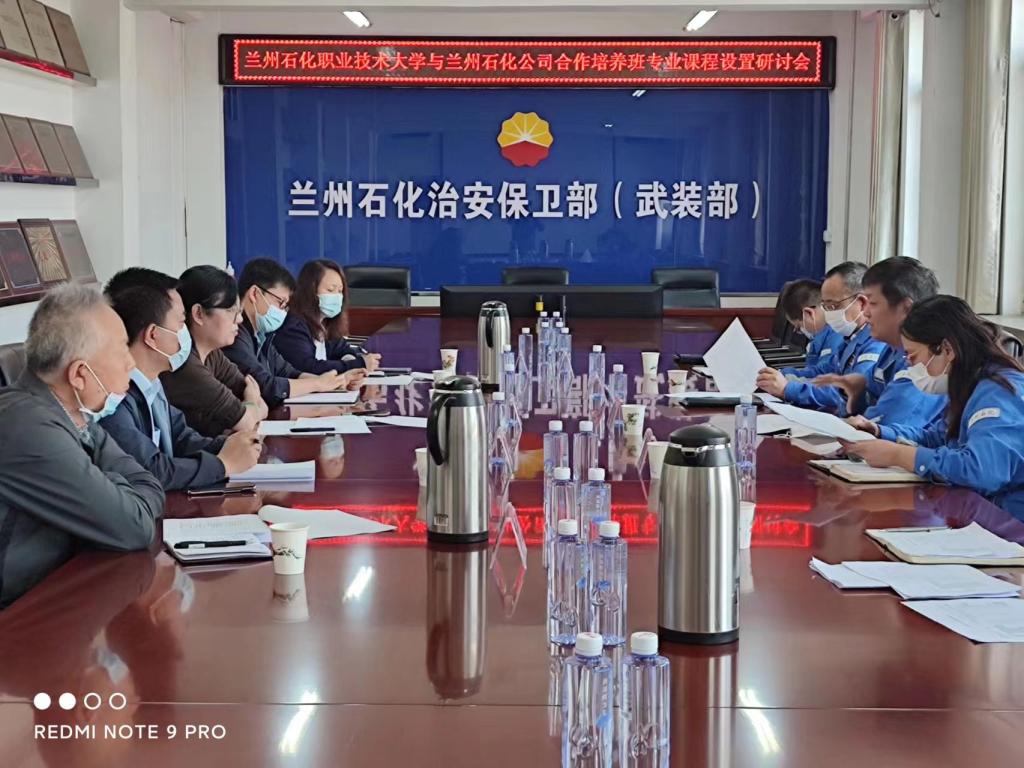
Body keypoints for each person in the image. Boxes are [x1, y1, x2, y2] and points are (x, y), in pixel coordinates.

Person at [0, 284, 164, 608]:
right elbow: (134, 526)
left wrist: (106, 483)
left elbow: (148, 481)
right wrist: (110, 483)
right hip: (17, 620)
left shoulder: (72, 413)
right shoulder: (28, 426)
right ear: (78, 374)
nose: (131, 363)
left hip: (57, 597)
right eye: (122, 350)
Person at [845, 296, 1024, 521]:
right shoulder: (969, 385)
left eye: (913, 356)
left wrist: (899, 455)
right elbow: (940, 437)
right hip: (979, 514)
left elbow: (981, 471)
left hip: (1011, 525)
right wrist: (880, 432)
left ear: (947, 349)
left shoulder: (999, 393)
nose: (910, 366)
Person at [100, 268, 264, 491]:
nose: (186, 332)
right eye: (181, 323)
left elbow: (182, 438)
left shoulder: (153, 384)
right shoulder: (114, 399)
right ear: (153, 335)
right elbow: (153, 470)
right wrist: (223, 465)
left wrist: (230, 445)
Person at [815, 257, 947, 441]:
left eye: (873, 303)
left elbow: (883, 426)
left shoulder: (928, 361)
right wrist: (856, 396)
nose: (865, 312)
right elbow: (861, 397)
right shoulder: (892, 350)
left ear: (905, 308)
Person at [224, 259, 364, 407]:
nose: (283, 311)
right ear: (254, 294)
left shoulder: (262, 334)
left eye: (286, 305)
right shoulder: (234, 335)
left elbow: (288, 372)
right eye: (280, 302)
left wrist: (334, 382)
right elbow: (265, 385)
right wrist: (317, 384)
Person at [757, 261, 887, 414]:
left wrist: (788, 388)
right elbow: (825, 372)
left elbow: (846, 392)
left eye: (833, 306)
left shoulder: (876, 342)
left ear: (862, 303)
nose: (828, 314)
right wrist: (782, 375)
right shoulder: (850, 338)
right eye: (825, 307)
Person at [161, 266, 268, 438]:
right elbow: (246, 421)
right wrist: (250, 403)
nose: (239, 319)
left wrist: (250, 408)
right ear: (198, 314)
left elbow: (261, 402)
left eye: (239, 311)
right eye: (231, 311)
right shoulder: (184, 365)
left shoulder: (212, 354)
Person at [272, 258, 382, 374]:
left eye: (340, 291)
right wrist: (355, 365)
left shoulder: (325, 321)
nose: (337, 297)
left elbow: (342, 349)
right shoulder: (293, 325)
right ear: (310, 291)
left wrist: (351, 362)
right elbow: (307, 367)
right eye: (330, 290)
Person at [777, 278, 844, 377]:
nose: (800, 331)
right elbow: (815, 371)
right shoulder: (821, 336)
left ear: (809, 313)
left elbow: (823, 376)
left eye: (799, 327)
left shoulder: (838, 335)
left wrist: (787, 377)